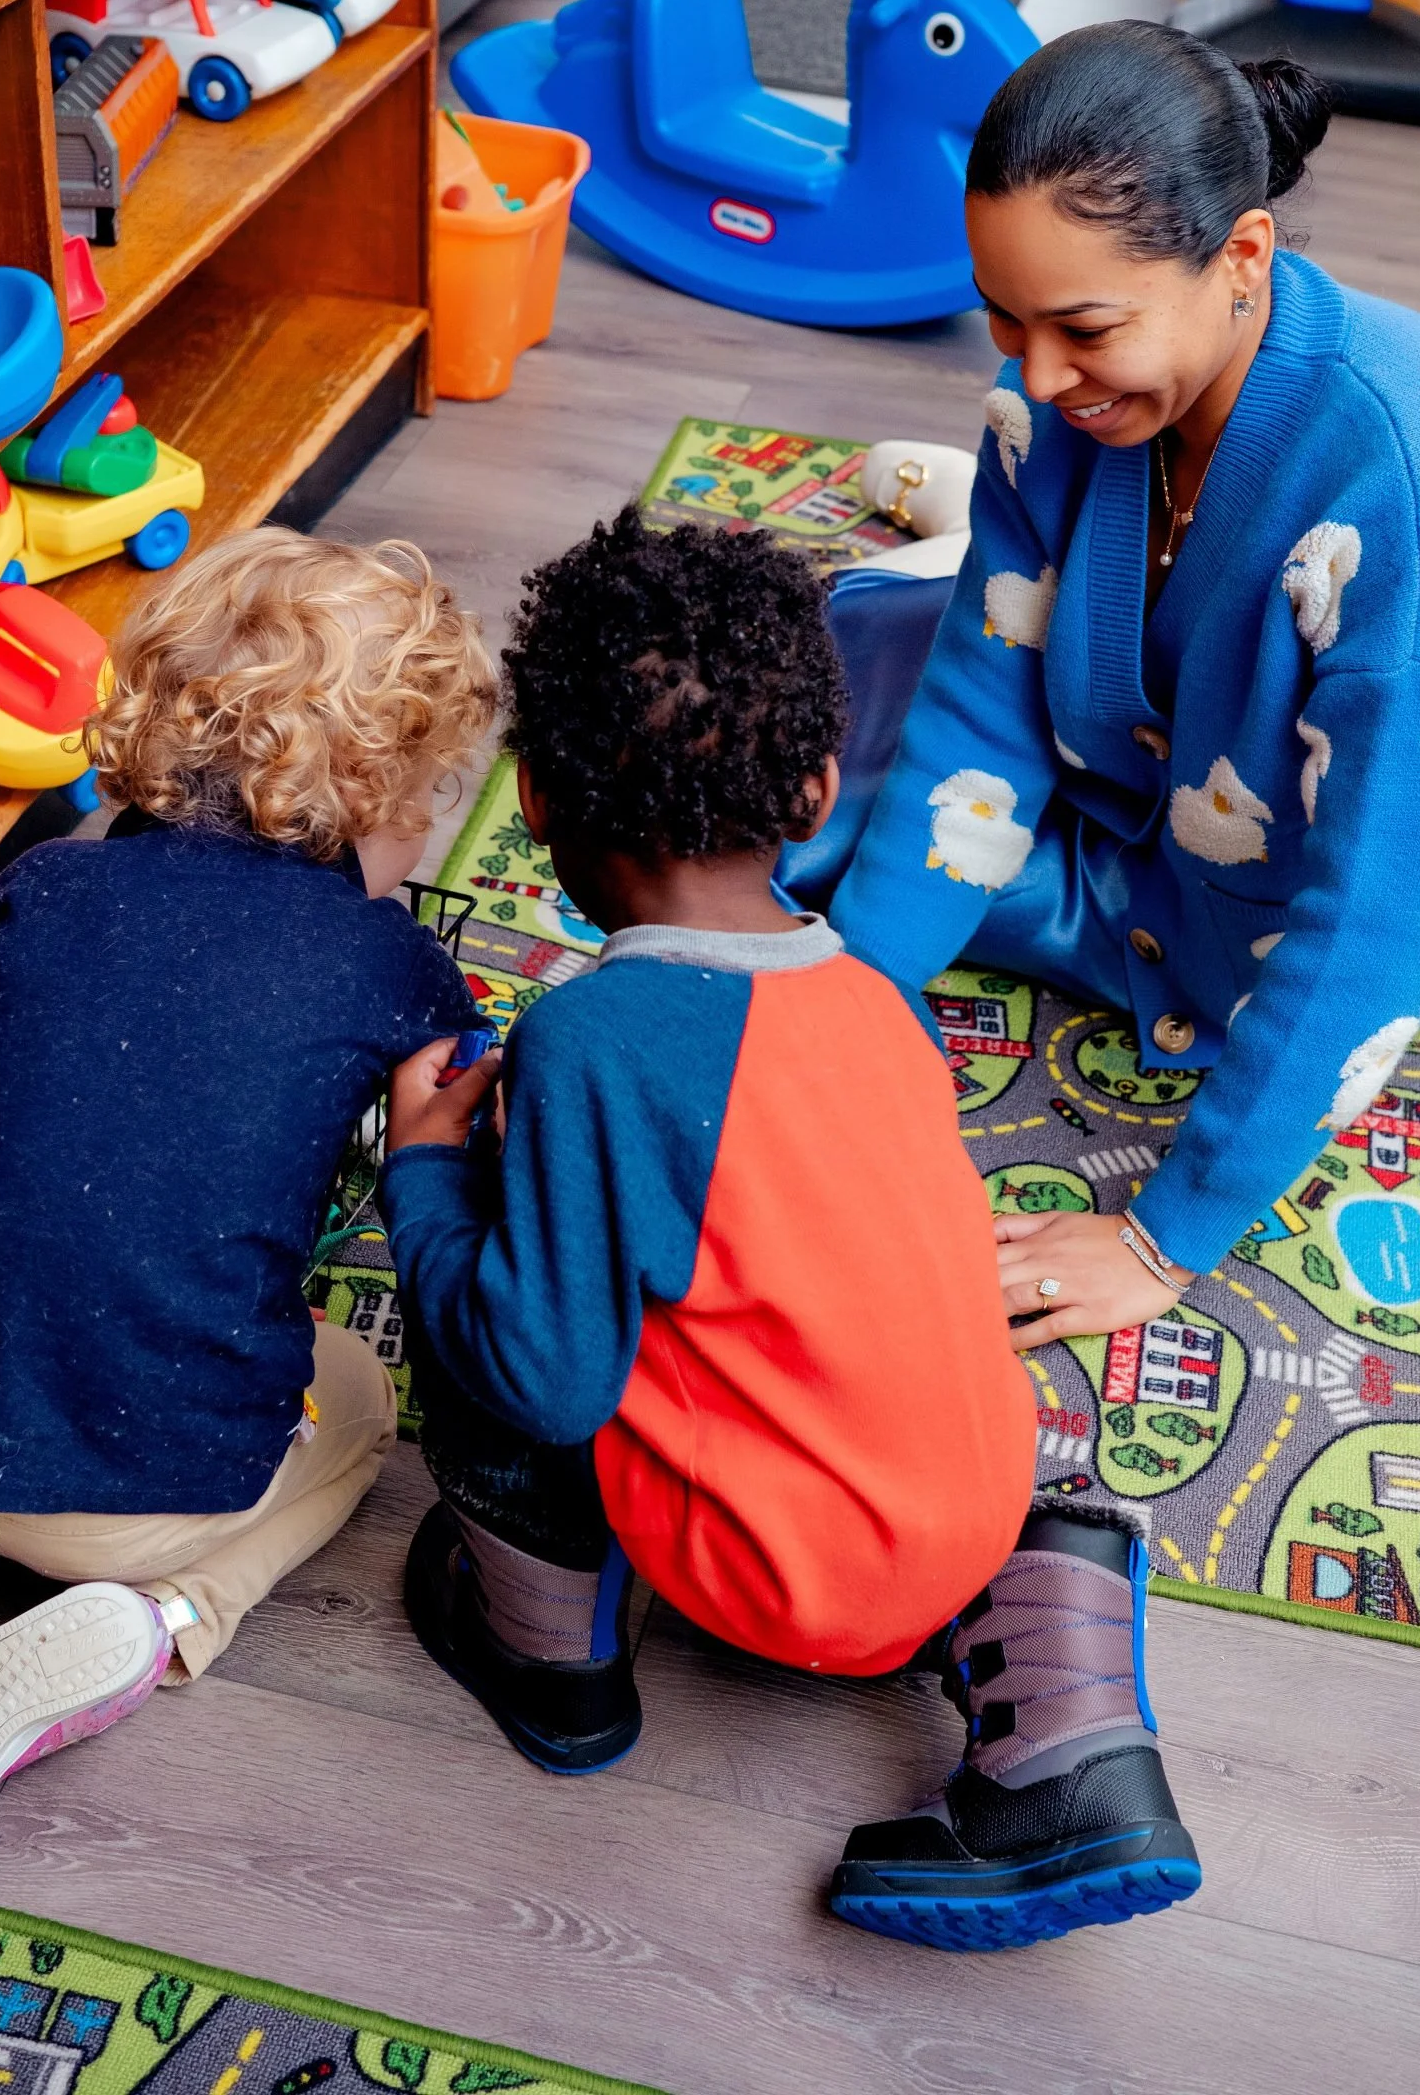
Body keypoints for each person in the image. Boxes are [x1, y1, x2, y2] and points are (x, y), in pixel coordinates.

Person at [382, 509, 1202, 1952]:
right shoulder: (879, 1008)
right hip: (960, 1527)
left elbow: (544, 1372)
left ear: (538, 804)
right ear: (822, 789)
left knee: (492, 1312)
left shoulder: (590, 1037)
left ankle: (555, 1676)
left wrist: (428, 1175)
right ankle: (1073, 1759)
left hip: (779, 1588)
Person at [799, 20, 1420, 1344]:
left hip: (1285, 879)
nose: (1030, 375)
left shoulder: (1413, 492)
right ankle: (961, 532)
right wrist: (859, 1000)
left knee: (867, 670)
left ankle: (949, 537)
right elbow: (982, 703)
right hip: (1127, 783)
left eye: (1079, 326)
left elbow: (1376, 923)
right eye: (1001, 321)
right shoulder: (1055, 405)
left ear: (1241, 258)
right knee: (796, 791)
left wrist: (1157, 1238)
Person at [0, 525, 493, 1833]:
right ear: (372, 803)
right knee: (353, 1393)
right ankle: (164, 1621)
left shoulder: (43, 883)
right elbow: (440, 1118)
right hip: (152, 1491)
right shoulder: (382, 960)